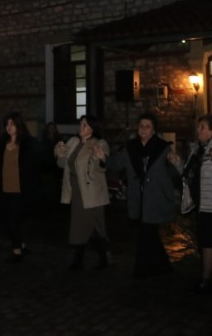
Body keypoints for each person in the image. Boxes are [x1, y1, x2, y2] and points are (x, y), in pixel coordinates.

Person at [106, 113, 181, 279]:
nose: (143, 129)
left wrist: (174, 163)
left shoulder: (162, 148)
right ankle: (163, 267)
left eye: (147, 126)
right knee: (149, 234)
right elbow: (117, 163)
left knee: (146, 233)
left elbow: (171, 173)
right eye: (141, 126)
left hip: (155, 200)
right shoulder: (131, 147)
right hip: (138, 199)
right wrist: (102, 158)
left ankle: (141, 270)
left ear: (153, 130)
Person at [54, 115, 111, 270]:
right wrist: (60, 153)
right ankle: (102, 257)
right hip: (75, 190)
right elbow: (62, 164)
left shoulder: (99, 143)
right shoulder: (73, 142)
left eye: (85, 125)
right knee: (84, 226)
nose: (81, 127)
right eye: (80, 124)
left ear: (93, 128)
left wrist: (100, 159)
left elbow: (102, 167)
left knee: (88, 226)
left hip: (91, 193)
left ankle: (79, 261)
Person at [0, 112, 41, 263]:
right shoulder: (0, 144)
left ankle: (17, 251)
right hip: (4, 189)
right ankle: (21, 245)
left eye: (12, 124)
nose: (9, 127)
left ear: (19, 125)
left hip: (20, 189)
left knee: (12, 220)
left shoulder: (28, 144)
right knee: (8, 219)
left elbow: (36, 165)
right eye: (7, 124)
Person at [175, 114, 212, 293]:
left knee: (208, 243)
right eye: (199, 127)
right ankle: (206, 279)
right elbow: (188, 174)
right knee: (205, 243)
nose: (198, 130)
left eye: (202, 127)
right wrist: (177, 164)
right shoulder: (197, 151)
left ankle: (206, 279)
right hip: (202, 205)